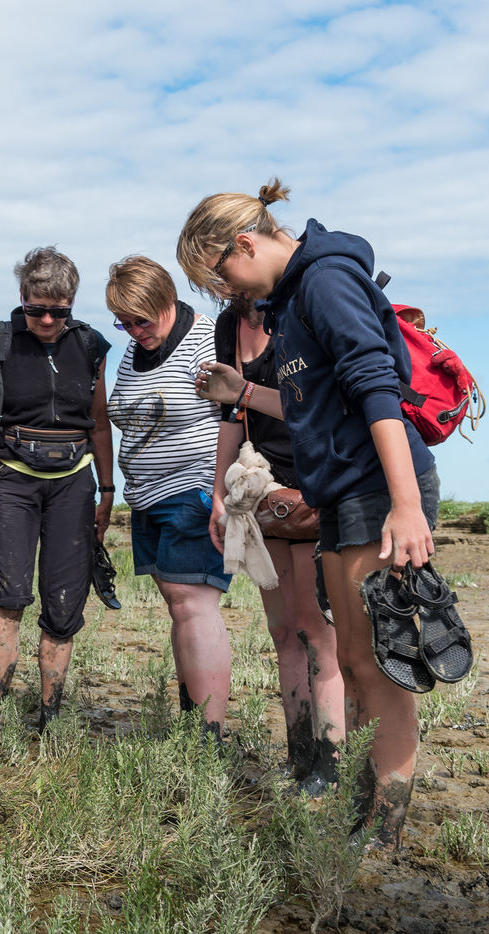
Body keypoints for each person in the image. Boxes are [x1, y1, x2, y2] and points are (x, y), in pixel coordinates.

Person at [177, 180, 441, 849]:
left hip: (376, 490)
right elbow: (308, 403)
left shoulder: (325, 282)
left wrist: (405, 504)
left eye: (222, 274)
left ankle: (384, 829)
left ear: (245, 243)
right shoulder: (291, 301)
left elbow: (376, 385)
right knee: (353, 657)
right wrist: (243, 393)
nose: (226, 292)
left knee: (376, 663)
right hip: (341, 495)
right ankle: (367, 805)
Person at [0, 248, 115, 731]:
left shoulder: (91, 346)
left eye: (58, 310)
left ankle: (49, 716)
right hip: (10, 482)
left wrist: (107, 491)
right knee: (10, 599)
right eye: (36, 308)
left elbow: (100, 426)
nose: (46, 319)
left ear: (72, 304)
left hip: (73, 486)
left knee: (64, 607)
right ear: (21, 298)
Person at [202, 294, 345, 793]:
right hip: (261, 488)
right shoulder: (228, 323)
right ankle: (298, 754)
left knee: (316, 632)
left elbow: (317, 405)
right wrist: (221, 493)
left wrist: (245, 393)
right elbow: (229, 415)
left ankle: (330, 765)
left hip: (313, 487)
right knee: (283, 629)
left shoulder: (298, 315)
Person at [104, 255, 232, 738]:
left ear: (169, 300)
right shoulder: (136, 353)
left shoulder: (208, 340)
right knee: (179, 606)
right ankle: (192, 722)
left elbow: (233, 415)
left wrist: (219, 491)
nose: (135, 330)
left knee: (193, 604)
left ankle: (208, 734)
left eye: (144, 319)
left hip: (194, 488)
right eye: (126, 322)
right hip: (148, 498)